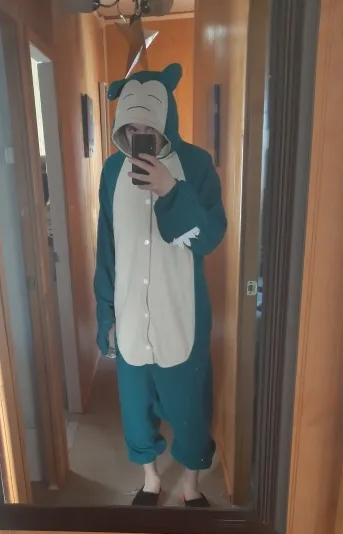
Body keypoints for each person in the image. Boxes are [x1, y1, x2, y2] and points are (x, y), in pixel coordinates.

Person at [94, 63, 227, 507]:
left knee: (189, 405)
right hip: (131, 313)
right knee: (135, 407)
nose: (139, 136)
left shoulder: (197, 165)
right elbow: (106, 248)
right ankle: (150, 480)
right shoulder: (112, 171)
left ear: (165, 117)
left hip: (181, 312)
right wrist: (106, 315)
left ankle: (191, 485)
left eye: (147, 127)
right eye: (130, 129)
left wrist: (171, 189)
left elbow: (209, 237)